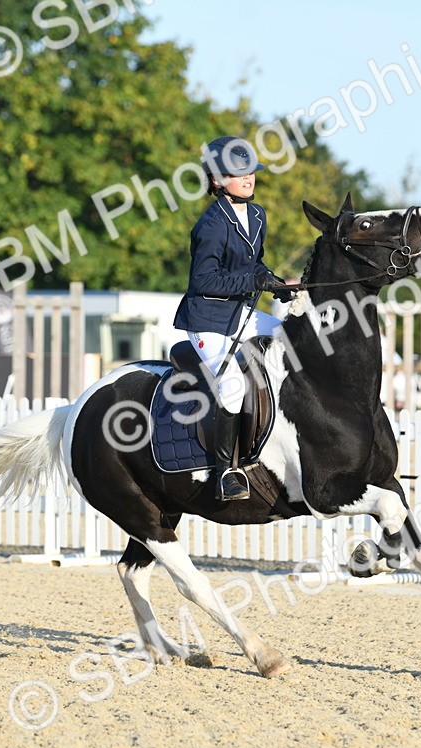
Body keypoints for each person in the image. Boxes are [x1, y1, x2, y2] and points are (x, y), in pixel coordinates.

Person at [172, 136, 294, 501]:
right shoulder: (210, 225)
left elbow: (254, 266)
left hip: (239, 311)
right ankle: (225, 471)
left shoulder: (257, 215)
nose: (247, 179)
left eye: (250, 172)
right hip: (207, 318)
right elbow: (203, 280)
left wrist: (273, 283)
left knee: (292, 340)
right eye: (236, 174)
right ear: (215, 181)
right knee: (232, 387)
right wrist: (252, 280)